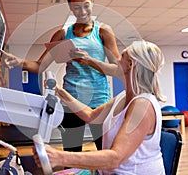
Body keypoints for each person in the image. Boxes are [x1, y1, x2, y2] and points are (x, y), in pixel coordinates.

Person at [1, 0, 120, 152]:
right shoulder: (62, 35)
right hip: (70, 102)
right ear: (71, 8)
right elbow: (40, 66)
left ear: (92, 2)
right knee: (72, 155)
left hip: (99, 102)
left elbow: (118, 70)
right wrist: (19, 61)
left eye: (86, 5)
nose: (82, 11)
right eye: (77, 7)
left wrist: (90, 60)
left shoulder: (103, 32)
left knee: (106, 154)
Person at [34, 40, 166, 175]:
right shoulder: (123, 97)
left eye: (122, 57)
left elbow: (115, 158)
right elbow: (91, 116)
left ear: (130, 65)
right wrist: (59, 91)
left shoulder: (142, 106)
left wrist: (59, 157)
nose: (117, 61)